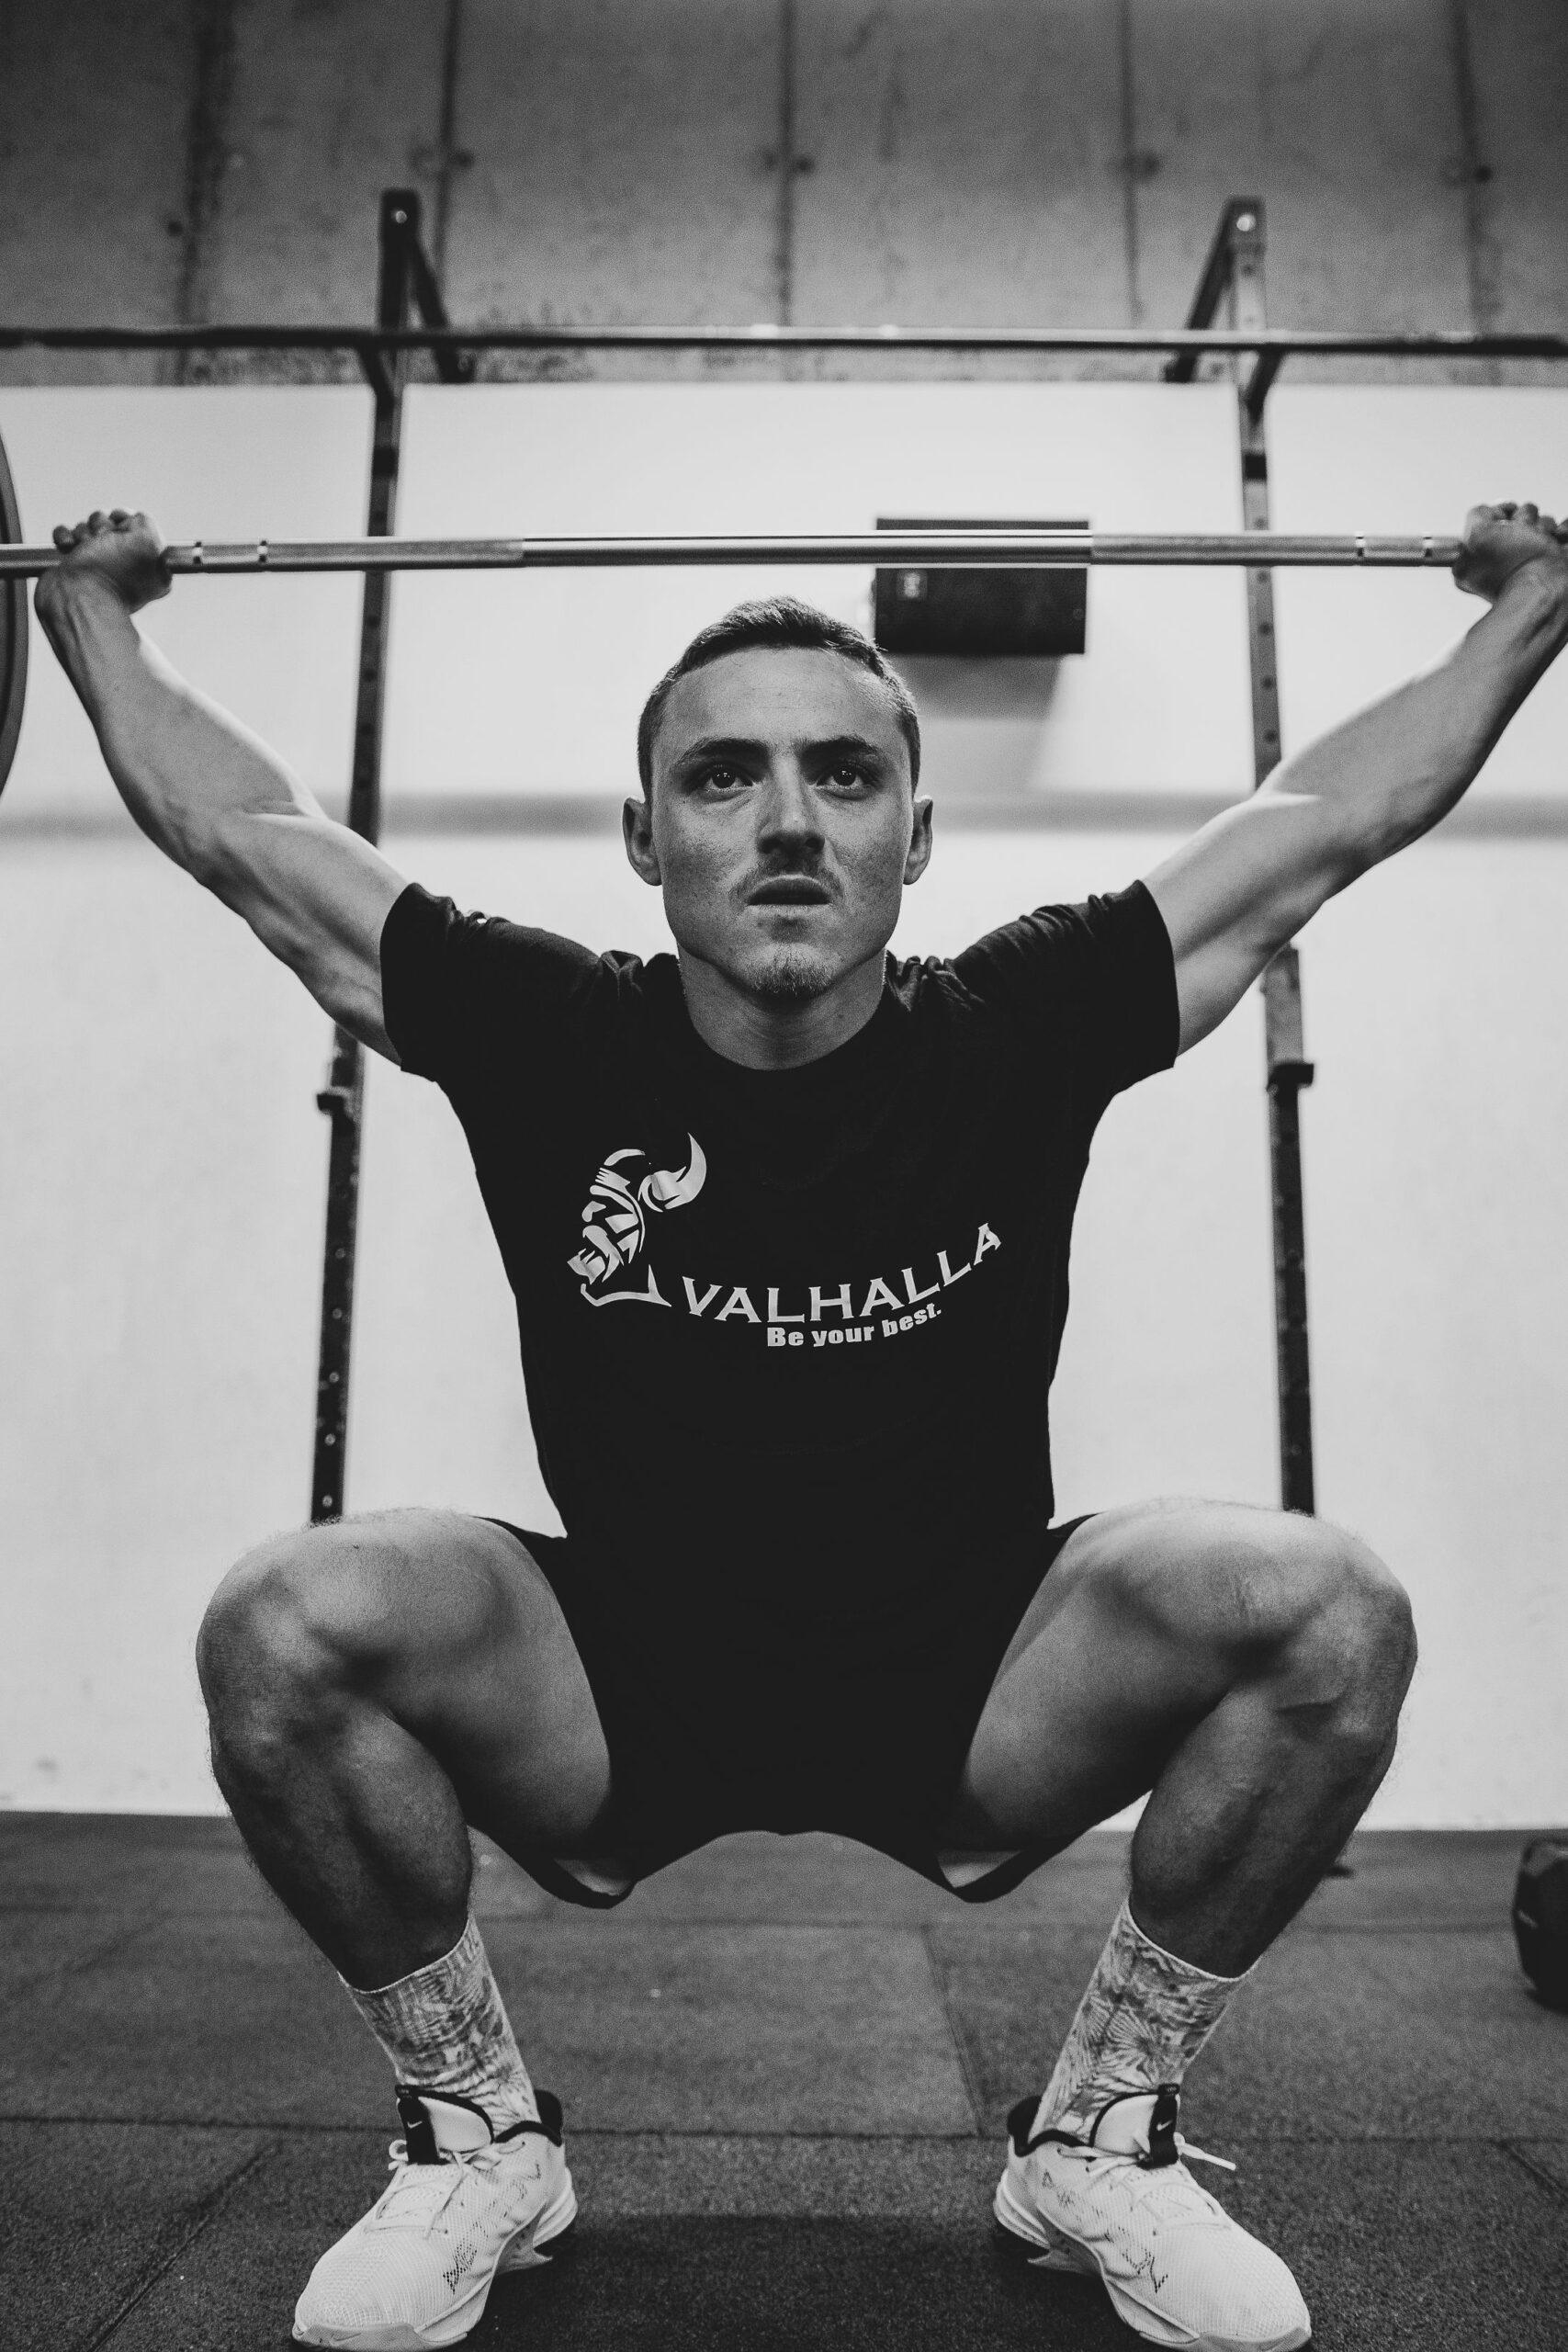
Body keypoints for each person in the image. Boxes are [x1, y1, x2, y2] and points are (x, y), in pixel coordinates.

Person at [37, 498, 1568, 2352]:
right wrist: (95, 617)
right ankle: (476, 2134)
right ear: (644, 835)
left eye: (842, 775)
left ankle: (1099, 2130)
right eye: (722, 776)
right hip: (616, 1671)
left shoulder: (1018, 1021)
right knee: (281, 1619)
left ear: (915, 834)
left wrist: (1529, 604)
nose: (784, 820)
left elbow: (1320, 824)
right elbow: (255, 841)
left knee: (1328, 1607)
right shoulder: (543, 1026)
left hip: (977, 1668)